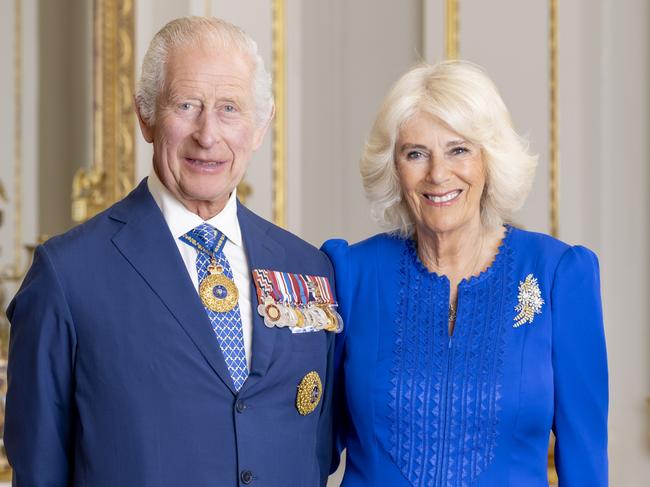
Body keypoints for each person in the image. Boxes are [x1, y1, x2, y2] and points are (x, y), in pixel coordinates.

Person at [6, 17, 338, 486]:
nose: (208, 134)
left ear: (261, 125)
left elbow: (314, 452)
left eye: (230, 108)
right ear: (145, 115)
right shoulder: (67, 276)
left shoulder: (309, 268)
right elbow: (40, 470)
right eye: (187, 105)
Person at [322, 61, 608, 486]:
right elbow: (308, 448)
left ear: (489, 160)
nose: (438, 174)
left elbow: (585, 463)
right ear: (394, 168)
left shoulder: (558, 275)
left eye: (459, 150)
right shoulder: (348, 275)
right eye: (415, 153)